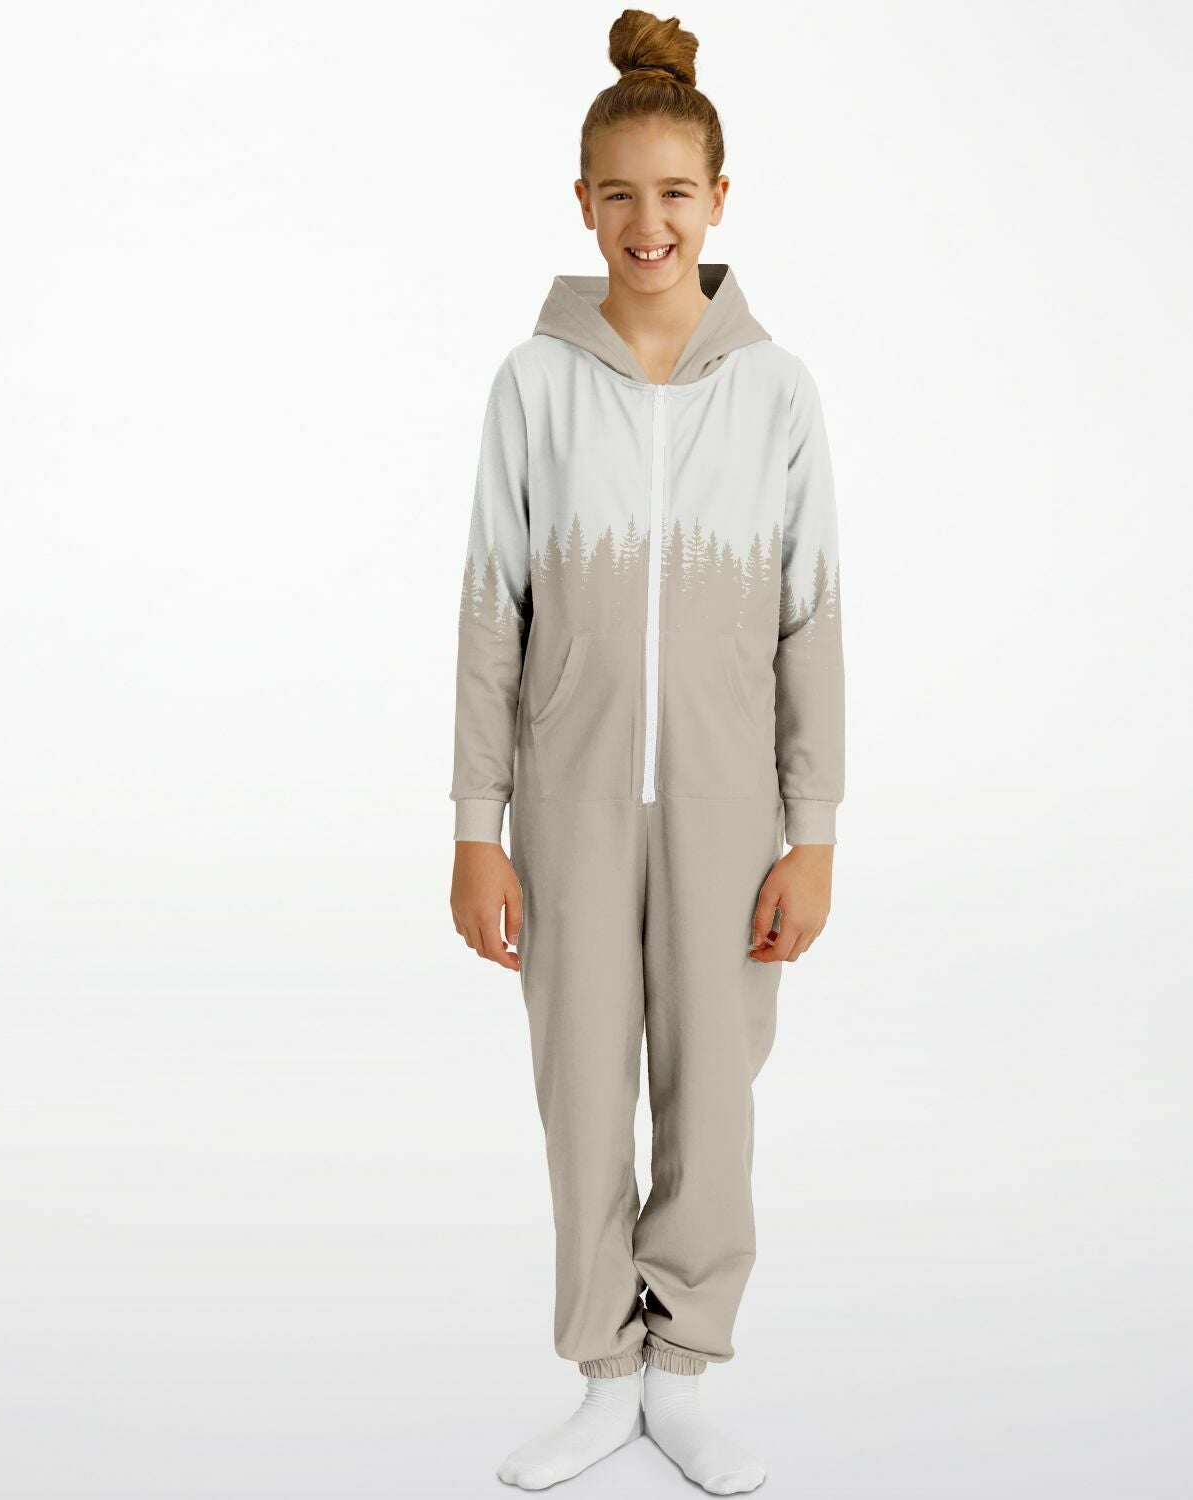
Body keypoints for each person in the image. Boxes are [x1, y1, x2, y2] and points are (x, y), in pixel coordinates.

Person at [448, 9, 844, 1492]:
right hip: (565, 805)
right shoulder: (533, 385)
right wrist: (477, 822)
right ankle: (602, 1375)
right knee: (579, 1087)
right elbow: (492, 610)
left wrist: (814, 832)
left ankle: (682, 1373)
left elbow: (813, 620)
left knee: (714, 1094)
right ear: (582, 202)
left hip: (734, 813)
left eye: (676, 193)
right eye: (619, 194)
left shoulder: (779, 391)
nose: (648, 222)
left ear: (720, 201)